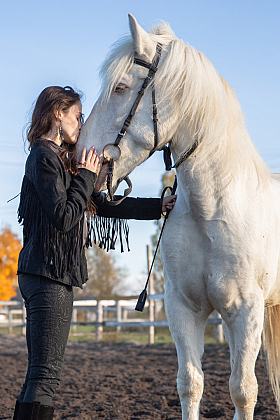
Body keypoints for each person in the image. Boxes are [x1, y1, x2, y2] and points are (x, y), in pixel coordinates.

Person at [13, 86, 176, 420]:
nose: (81, 123)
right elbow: (64, 216)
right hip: (47, 275)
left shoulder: (58, 161)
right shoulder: (42, 157)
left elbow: (103, 205)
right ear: (57, 112)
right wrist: (86, 175)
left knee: (39, 375)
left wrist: (158, 206)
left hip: (48, 273)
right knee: (45, 377)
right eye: (76, 115)